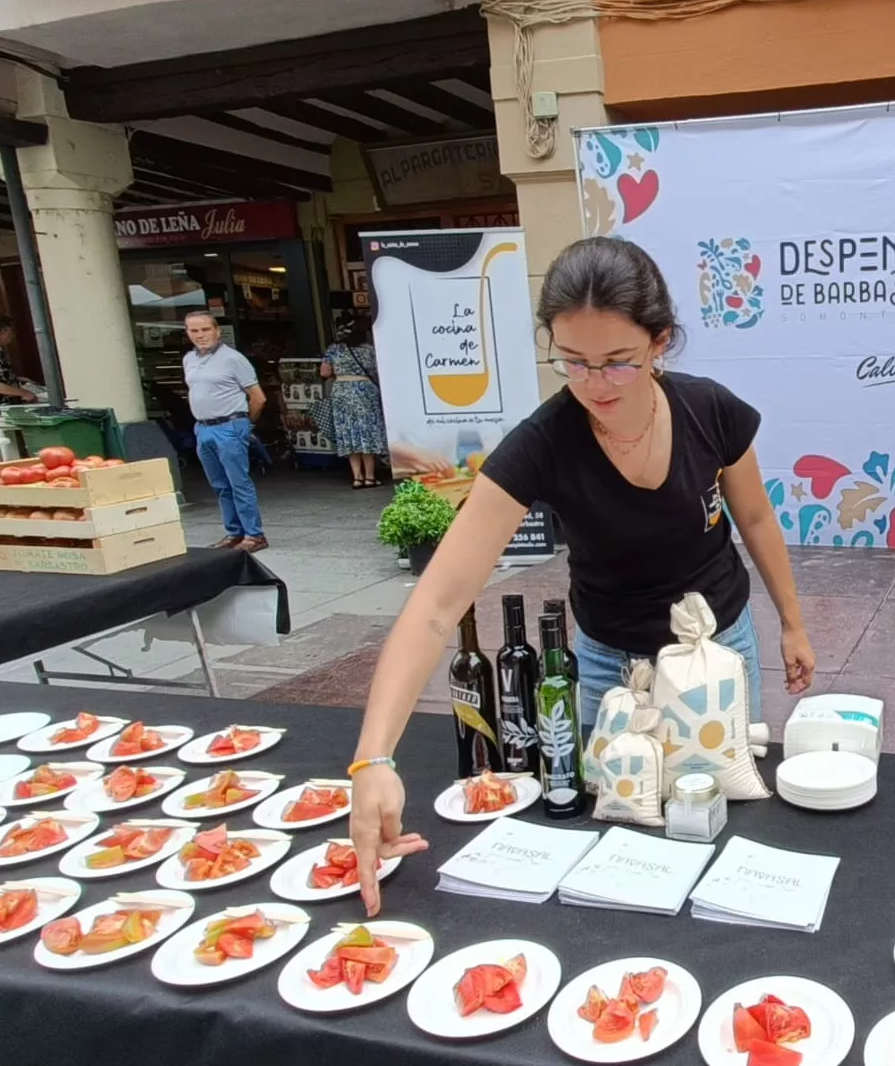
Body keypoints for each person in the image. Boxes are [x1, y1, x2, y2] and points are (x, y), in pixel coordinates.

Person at [343, 237, 820, 912]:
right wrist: (373, 760)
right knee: (626, 844)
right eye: (574, 363)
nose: (595, 386)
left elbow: (758, 522)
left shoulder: (711, 411)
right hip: (609, 667)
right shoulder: (544, 443)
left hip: (717, 652)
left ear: (659, 343)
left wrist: (793, 625)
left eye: (619, 364)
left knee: (720, 819)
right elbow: (433, 606)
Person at [183, 311, 268, 553]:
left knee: (239, 482)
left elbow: (258, 398)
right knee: (220, 485)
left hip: (229, 425)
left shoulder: (233, 359)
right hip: (204, 428)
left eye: (205, 330)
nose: (200, 335)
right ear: (187, 333)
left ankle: (254, 534)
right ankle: (234, 532)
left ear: (217, 331)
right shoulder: (189, 359)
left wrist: (245, 425)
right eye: (194, 331)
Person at [319, 318, 388, 488]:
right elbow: (380, 369)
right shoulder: (370, 350)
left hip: (342, 391)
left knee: (349, 431)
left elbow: (324, 372)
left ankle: (357, 477)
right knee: (368, 431)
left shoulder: (334, 350)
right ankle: (370, 477)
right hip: (366, 390)